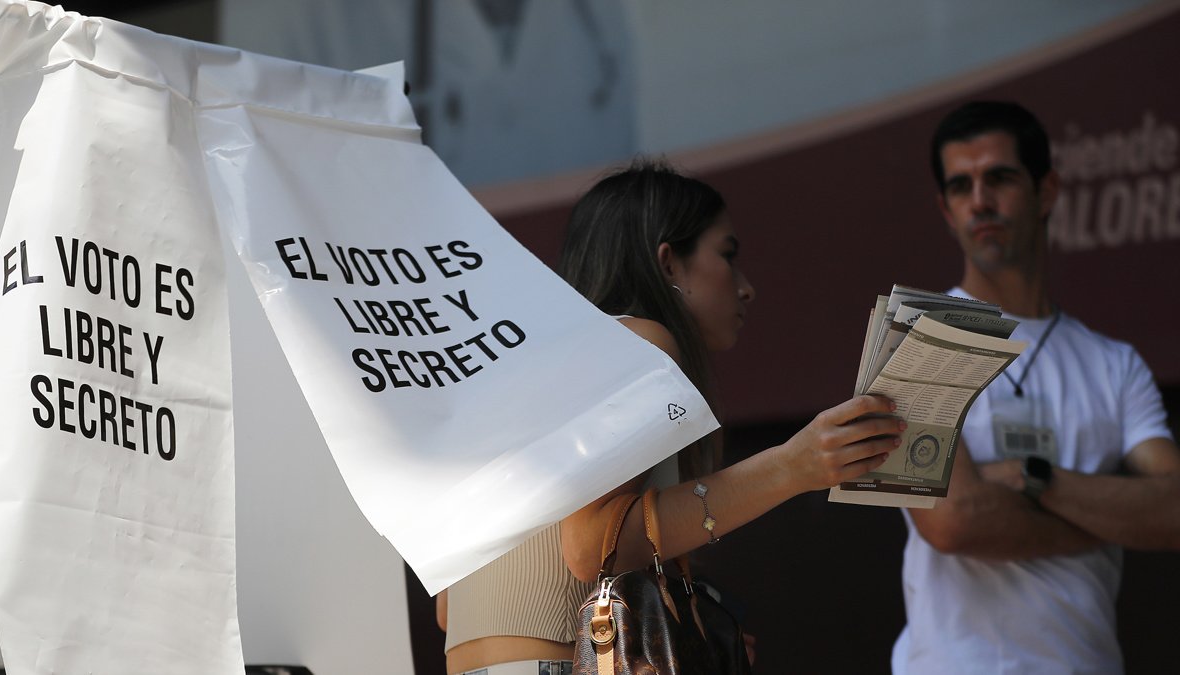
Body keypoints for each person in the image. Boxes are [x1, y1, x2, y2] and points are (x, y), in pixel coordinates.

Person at [437, 159, 904, 675]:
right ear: (668, 263)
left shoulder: (509, 371)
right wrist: (792, 467)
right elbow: (589, 547)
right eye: (727, 254)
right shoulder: (640, 339)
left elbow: (447, 607)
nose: (746, 286)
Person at [892, 100, 1180, 675]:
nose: (980, 200)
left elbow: (1173, 510)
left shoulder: (1115, 363)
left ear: (1046, 191)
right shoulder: (919, 340)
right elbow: (952, 523)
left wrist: (1032, 478)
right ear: (946, 209)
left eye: (999, 178)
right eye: (961, 186)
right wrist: (1111, 516)